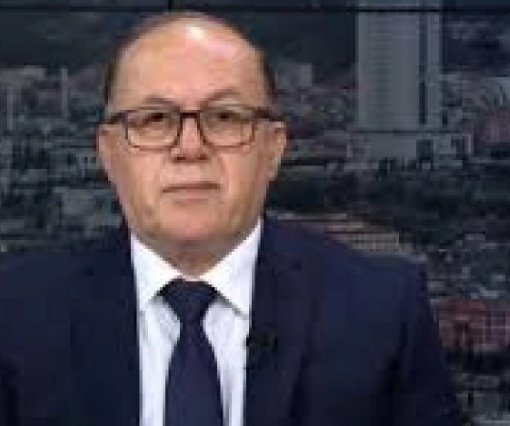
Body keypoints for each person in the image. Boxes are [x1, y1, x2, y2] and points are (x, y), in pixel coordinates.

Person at [0, 10, 461, 426]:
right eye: (155, 119)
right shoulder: (16, 314)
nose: (190, 147)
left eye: (224, 117)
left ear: (273, 148)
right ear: (109, 153)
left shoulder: (382, 312)